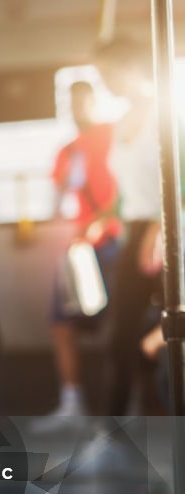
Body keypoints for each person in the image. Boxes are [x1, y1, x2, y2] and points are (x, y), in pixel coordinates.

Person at [36, 81, 122, 427]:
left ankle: (131, 404)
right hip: (78, 249)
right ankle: (72, 403)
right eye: (71, 102)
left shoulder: (112, 138)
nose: (77, 108)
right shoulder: (67, 151)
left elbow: (126, 190)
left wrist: (102, 222)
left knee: (120, 324)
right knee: (62, 321)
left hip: (113, 242)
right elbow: (57, 198)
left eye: (82, 101)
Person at [95, 36, 164, 416]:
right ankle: (116, 434)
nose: (105, 82)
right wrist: (99, 220)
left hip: (170, 233)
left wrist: (160, 229)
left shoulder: (166, 113)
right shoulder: (120, 125)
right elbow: (126, 192)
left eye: (108, 73)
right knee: (121, 338)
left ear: (132, 68)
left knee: (172, 334)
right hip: (134, 231)